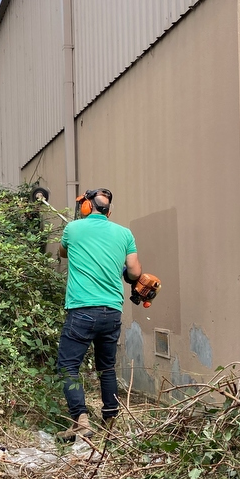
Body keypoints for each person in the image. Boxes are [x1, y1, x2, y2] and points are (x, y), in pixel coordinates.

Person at [56, 188, 142, 441]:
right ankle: (110, 420)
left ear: (86, 207)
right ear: (109, 211)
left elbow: (63, 253)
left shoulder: (73, 229)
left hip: (82, 310)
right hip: (112, 312)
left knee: (68, 367)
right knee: (106, 368)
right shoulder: (124, 233)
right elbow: (135, 273)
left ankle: (80, 419)